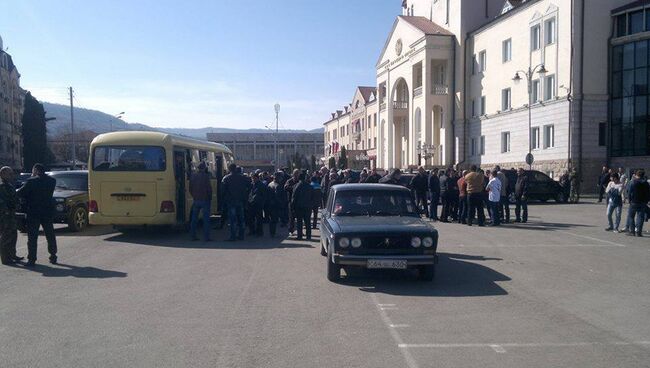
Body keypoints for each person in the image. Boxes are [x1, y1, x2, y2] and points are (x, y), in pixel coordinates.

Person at [16, 163, 58, 266]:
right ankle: (53, 256)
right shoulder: (52, 181)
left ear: (36, 171)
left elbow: (20, 193)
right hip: (47, 212)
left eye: (33, 170)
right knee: (50, 235)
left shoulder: (31, 181)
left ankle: (32, 259)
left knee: (32, 237)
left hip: (33, 212)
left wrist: (31, 177)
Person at [0, 167, 23, 265]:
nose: (11, 175)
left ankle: (12, 254)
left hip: (12, 214)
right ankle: (5, 258)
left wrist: (17, 204)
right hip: (5, 216)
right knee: (6, 236)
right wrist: (6, 210)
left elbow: (14, 197)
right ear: (2, 174)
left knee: (13, 235)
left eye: (11, 173)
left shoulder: (9, 185)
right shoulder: (1, 186)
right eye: (9, 173)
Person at [222, 164, 250, 241]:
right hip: (240, 200)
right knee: (241, 219)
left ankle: (233, 236)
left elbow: (223, 190)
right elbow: (249, 186)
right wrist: (245, 195)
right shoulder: (243, 178)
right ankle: (241, 236)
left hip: (231, 201)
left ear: (229, 169)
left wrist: (226, 198)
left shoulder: (226, 178)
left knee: (232, 220)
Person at [189, 162, 212, 241]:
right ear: (204, 168)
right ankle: (206, 237)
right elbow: (209, 188)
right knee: (206, 219)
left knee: (194, 219)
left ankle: (192, 236)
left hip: (196, 200)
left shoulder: (193, 176)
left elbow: (190, 188)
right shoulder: (206, 176)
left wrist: (194, 196)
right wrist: (210, 197)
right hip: (205, 200)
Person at [626, 169, 649, 237]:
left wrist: (629, 200)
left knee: (631, 217)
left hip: (634, 202)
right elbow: (648, 193)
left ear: (636, 175)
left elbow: (629, 192)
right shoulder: (646, 183)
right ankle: (639, 232)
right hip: (642, 202)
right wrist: (647, 200)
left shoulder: (633, 182)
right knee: (640, 217)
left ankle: (632, 231)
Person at [291, 173, 312, 240]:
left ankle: (299, 236)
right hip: (308, 206)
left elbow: (294, 197)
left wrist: (292, 206)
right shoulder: (309, 186)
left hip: (299, 207)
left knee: (299, 222)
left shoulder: (296, 186)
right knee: (307, 222)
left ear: (299, 178)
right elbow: (312, 197)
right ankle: (308, 236)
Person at [284, 169, 301, 235]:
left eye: (298, 174)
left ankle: (300, 231)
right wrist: (294, 188)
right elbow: (285, 187)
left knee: (299, 217)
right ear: (293, 174)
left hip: (299, 201)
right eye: (296, 174)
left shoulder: (300, 181)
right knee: (292, 217)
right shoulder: (289, 181)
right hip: (291, 201)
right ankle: (291, 230)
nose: (297, 175)